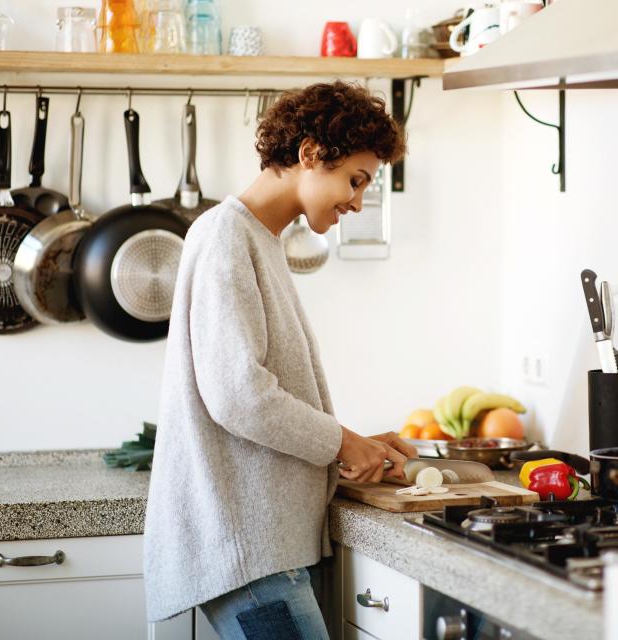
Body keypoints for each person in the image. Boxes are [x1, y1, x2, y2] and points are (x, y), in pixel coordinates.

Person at [143, 80, 417, 640]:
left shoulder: (261, 240)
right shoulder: (226, 236)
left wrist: (355, 443)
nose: (358, 201)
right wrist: (343, 442)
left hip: (264, 542)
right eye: (356, 181)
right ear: (311, 153)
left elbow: (263, 393)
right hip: (247, 546)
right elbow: (239, 395)